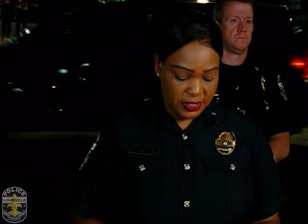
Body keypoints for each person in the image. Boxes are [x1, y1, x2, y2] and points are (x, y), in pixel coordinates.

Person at [69, 5, 283, 224]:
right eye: (182, 76)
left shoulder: (245, 132)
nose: (196, 91)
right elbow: (86, 214)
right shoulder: (124, 131)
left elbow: (267, 217)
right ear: (159, 65)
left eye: (209, 77)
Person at [213, 0, 290, 163]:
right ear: (218, 25)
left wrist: (250, 167)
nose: (242, 28)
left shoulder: (268, 76)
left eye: (247, 21)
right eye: (234, 20)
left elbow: (282, 142)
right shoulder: (203, 73)